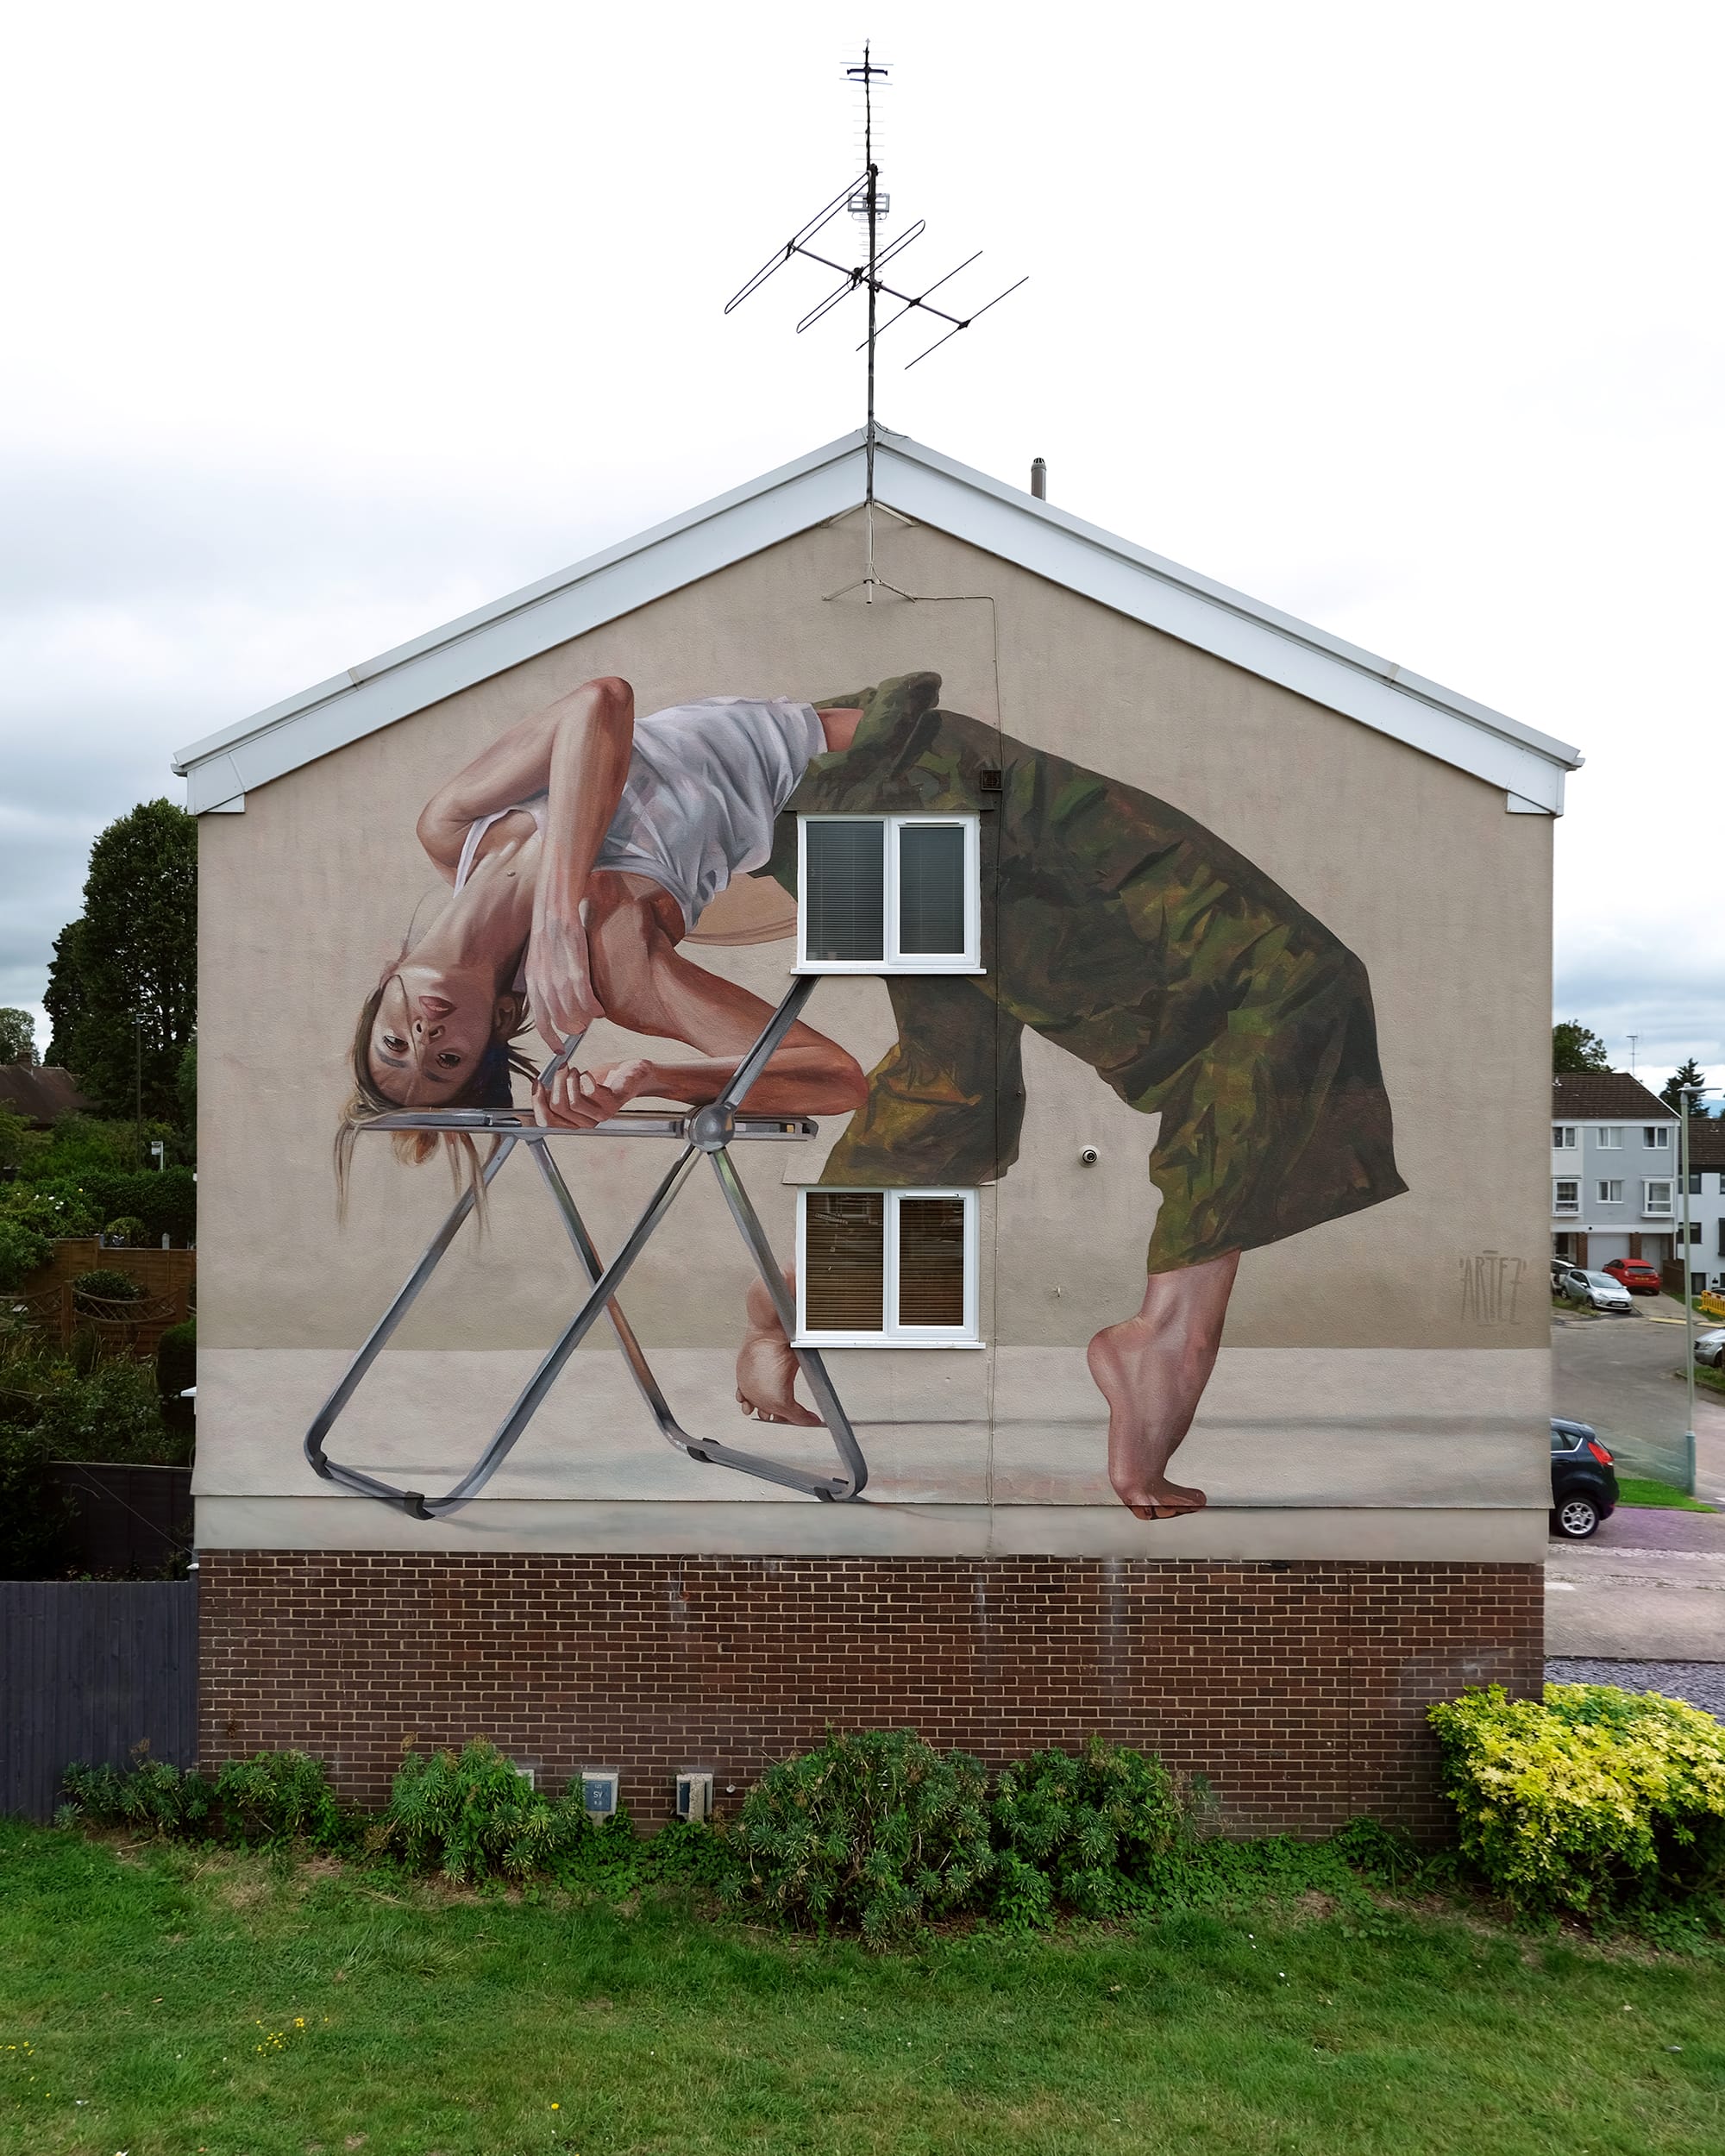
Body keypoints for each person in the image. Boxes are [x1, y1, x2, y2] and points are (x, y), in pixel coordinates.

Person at [342, 670, 1405, 1523]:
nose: (426, 1037)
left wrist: (552, 914)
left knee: (955, 1091)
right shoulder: (616, 961)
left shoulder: (454, 832)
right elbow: (831, 1076)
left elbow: (601, 703)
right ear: (499, 1024)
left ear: (385, 985)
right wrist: (654, 1074)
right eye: (445, 1059)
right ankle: (1166, 1336)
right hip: (900, 790)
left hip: (853, 796)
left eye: (399, 1042)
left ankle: (785, 1316)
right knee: (1295, 980)